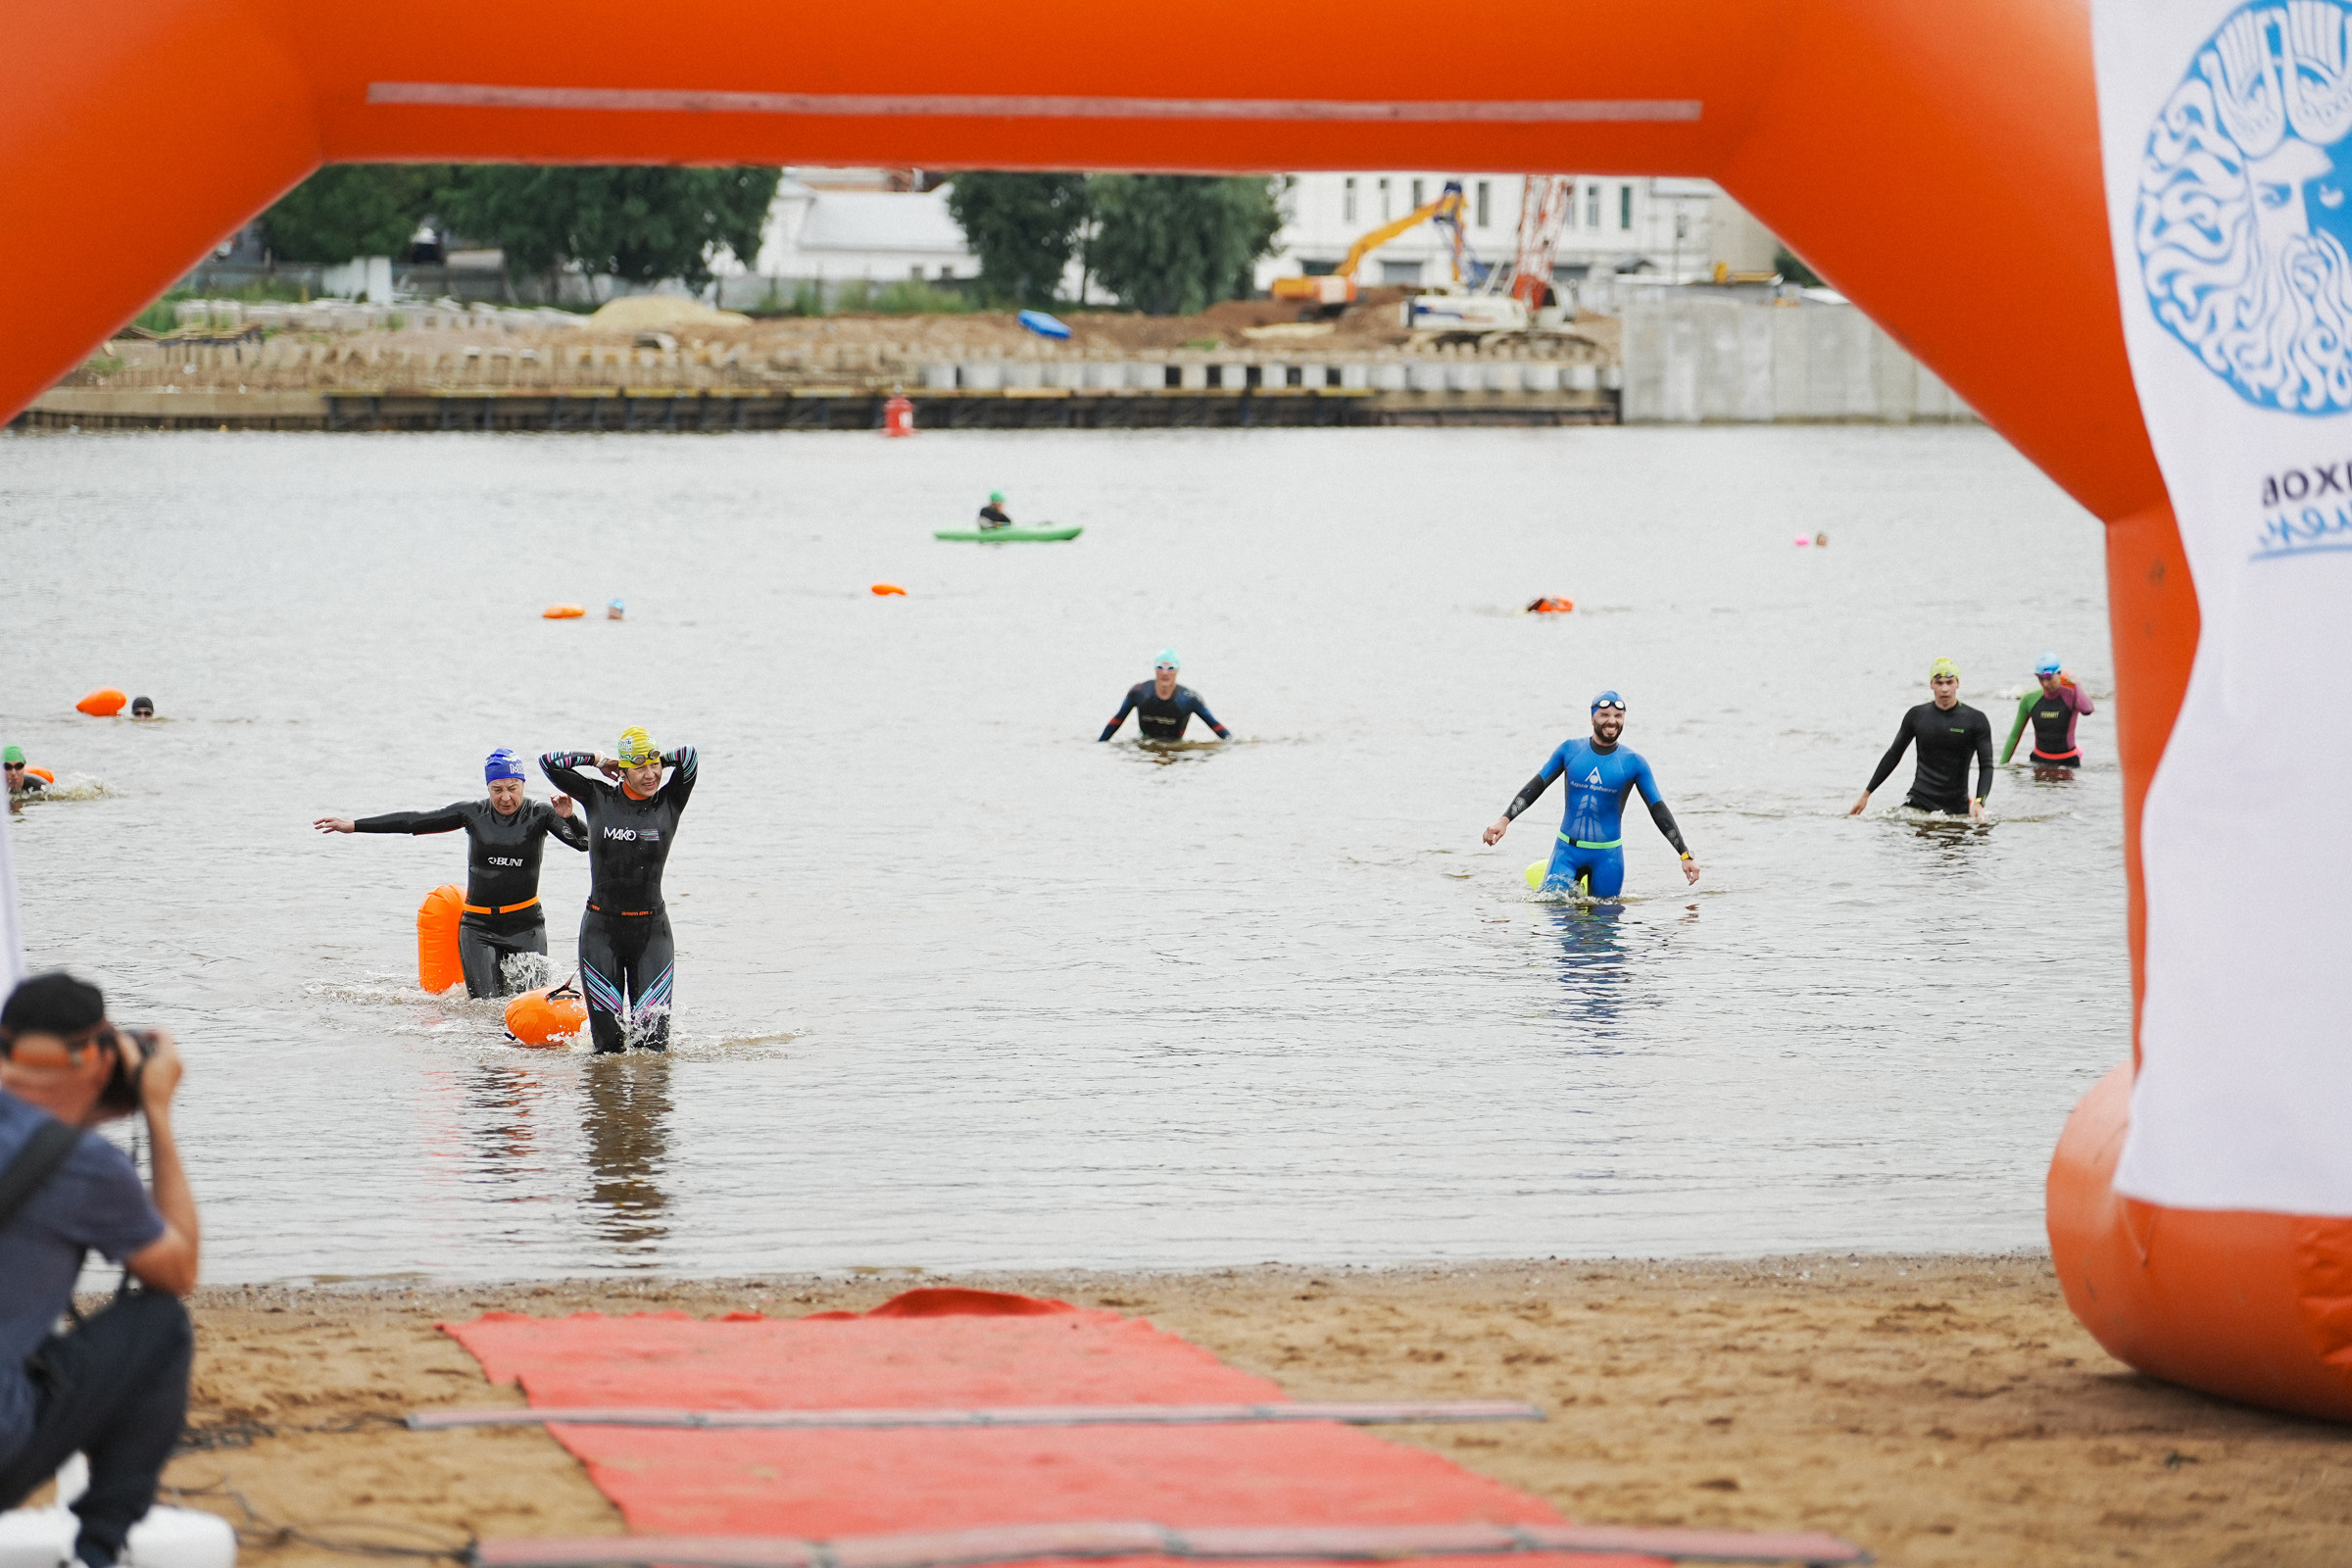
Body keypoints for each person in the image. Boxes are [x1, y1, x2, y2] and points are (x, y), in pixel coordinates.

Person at [0, 971, 199, 1568]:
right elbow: (176, 1270)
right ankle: (96, 1550)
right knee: (160, 1325)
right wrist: (157, 1114)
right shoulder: (86, 1167)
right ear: (96, 1058)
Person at [313, 749, 588, 999]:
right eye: (497, 789)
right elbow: (415, 821)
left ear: (523, 784)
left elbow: (584, 843)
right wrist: (354, 825)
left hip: (526, 927)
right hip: (479, 929)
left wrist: (569, 818)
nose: (506, 797)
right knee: (485, 1009)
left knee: (533, 1003)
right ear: (488, 788)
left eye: (512, 788)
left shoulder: (540, 814)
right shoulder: (472, 813)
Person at [540, 729, 698, 1054]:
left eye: (655, 765)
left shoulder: (670, 801)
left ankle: (647, 1105)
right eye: (639, 768)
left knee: (652, 1048)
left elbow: (689, 756)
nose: (651, 774)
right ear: (623, 770)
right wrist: (599, 760)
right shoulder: (599, 797)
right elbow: (549, 763)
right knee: (608, 1048)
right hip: (601, 933)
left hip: (651, 935)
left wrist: (656, 759)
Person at [1482, 690, 1700, 897]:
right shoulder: (1570, 751)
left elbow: (1658, 809)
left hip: (1608, 859)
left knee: (1604, 927)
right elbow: (1537, 785)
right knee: (1556, 913)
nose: (1612, 721)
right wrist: (1504, 820)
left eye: (1618, 715)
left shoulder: (1634, 763)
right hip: (1566, 853)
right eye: (1604, 714)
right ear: (1592, 718)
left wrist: (1684, 854)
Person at [1850, 658, 1993, 819]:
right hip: (1918, 802)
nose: (1945, 688)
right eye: (1939, 683)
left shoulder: (1975, 720)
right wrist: (1866, 794)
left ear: (1957, 684)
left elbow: (1986, 766)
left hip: (1956, 806)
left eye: (1949, 682)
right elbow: (1893, 755)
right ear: (1931, 684)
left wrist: (1980, 802)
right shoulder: (1917, 716)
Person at [1100, 650, 1230, 744]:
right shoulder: (1139, 692)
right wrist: (1100, 744)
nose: (1165, 672)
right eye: (1160, 667)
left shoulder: (1189, 699)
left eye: (1171, 668)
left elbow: (1215, 725)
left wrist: (1233, 744)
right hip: (1144, 743)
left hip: (1175, 745)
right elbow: (1117, 720)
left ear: (1177, 670)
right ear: (1154, 669)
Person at [2001, 654, 2094, 769]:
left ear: (2059, 675)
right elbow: (2014, 736)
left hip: (2068, 762)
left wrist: (2076, 684)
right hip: (2038, 761)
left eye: (2049, 678)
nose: (2045, 683)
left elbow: (2087, 710)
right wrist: (2002, 766)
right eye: (2041, 679)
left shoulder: (2070, 696)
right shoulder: (2029, 699)